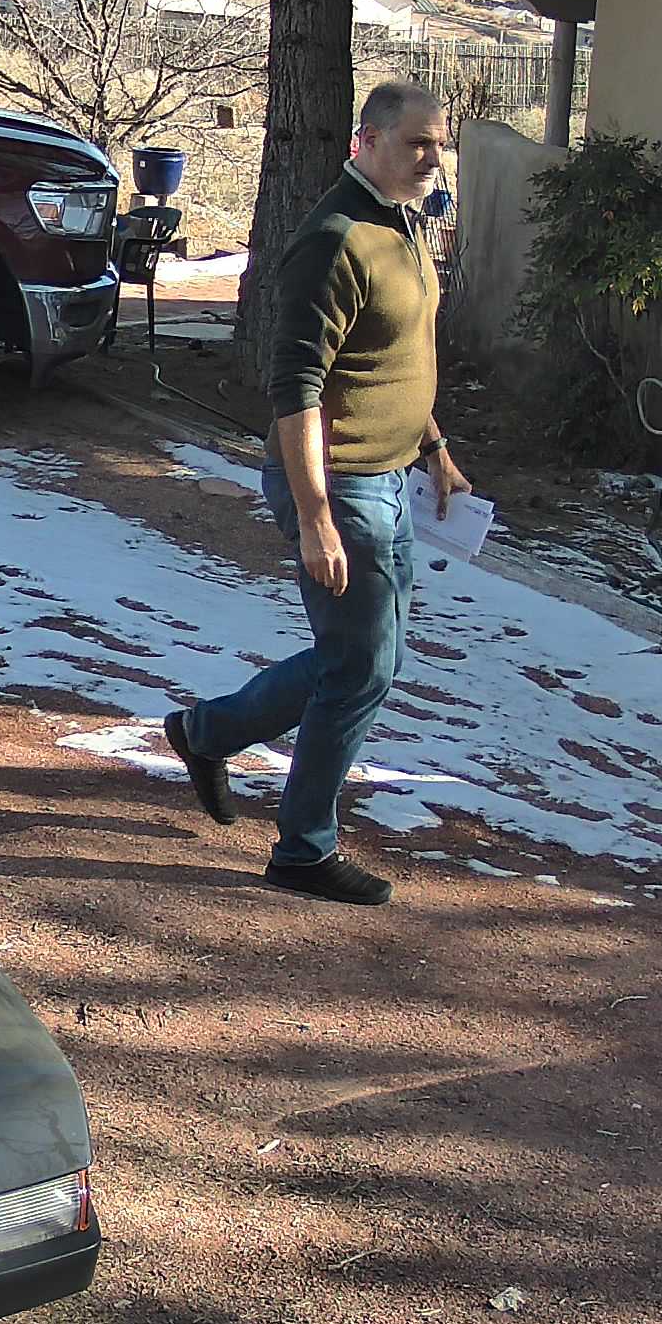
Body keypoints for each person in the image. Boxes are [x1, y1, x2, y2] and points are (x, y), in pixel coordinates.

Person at [161, 82, 471, 904]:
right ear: (365, 142)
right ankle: (303, 848)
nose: (432, 158)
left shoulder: (402, 223)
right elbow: (295, 391)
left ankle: (207, 733)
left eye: (440, 143)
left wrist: (434, 446)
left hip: (391, 476)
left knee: (365, 661)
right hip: (339, 485)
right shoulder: (334, 241)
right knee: (360, 667)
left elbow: (393, 356)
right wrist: (316, 518)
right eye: (417, 142)